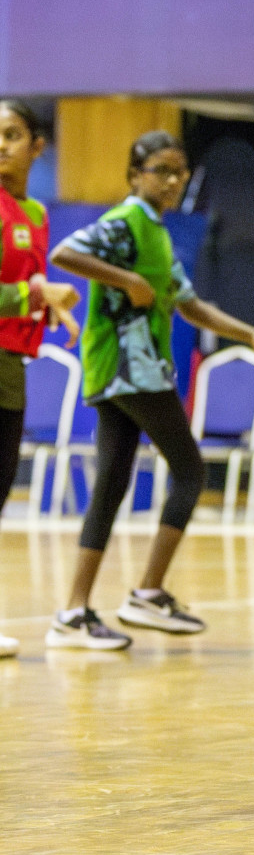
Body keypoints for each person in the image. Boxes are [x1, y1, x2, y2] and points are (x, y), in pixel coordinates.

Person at [45, 130, 254, 650]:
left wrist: (252, 335)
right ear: (136, 175)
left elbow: (189, 303)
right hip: (130, 368)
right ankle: (149, 593)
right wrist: (123, 280)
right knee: (190, 470)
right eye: (161, 170)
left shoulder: (157, 231)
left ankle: (72, 612)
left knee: (110, 485)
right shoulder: (127, 220)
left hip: (125, 371)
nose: (173, 181)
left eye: (180, 172)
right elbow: (65, 253)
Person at [0, 101, 81, 659]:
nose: (1, 145)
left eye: (11, 135)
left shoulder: (33, 213)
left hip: (11, 366)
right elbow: (24, 289)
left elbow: (30, 285)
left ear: (37, 147)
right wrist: (35, 295)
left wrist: (53, 310)